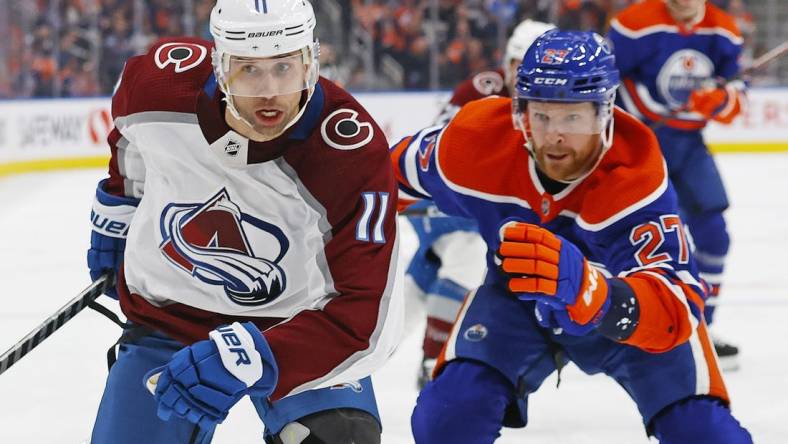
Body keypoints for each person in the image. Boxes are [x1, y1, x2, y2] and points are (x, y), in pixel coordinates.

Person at [391, 30, 752, 443]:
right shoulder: (477, 140)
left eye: (573, 117)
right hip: (519, 302)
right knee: (447, 419)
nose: (555, 135)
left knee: (704, 433)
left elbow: (677, 307)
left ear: (605, 112)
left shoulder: (636, 176)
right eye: (541, 116)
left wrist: (594, 295)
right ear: (519, 111)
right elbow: (385, 176)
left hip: (621, 310)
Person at [86, 1, 403, 443]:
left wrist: (256, 355)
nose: (270, 91)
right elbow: (130, 140)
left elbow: (367, 317)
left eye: (284, 67)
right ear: (219, 65)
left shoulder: (350, 154)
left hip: (293, 323)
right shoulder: (159, 83)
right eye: (248, 69)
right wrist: (119, 208)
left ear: (311, 61)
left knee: (340, 437)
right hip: (170, 318)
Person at [407, 19, 556, 389]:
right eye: (521, 65)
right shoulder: (484, 90)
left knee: (422, 280)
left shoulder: (553, 107)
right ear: (507, 65)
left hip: (477, 206)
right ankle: (431, 358)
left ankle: (365, 347)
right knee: (468, 256)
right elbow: (441, 145)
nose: (527, 75)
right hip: (447, 198)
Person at [608, 0, 746, 369]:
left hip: (689, 147)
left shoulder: (723, 30)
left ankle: (701, 327)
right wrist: (656, 108)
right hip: (641, 143)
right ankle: (646, 326)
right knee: (661, 239)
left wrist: (718, 100)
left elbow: (737, 94)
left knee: (715, 235)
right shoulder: (633, 24)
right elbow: (608, 83)